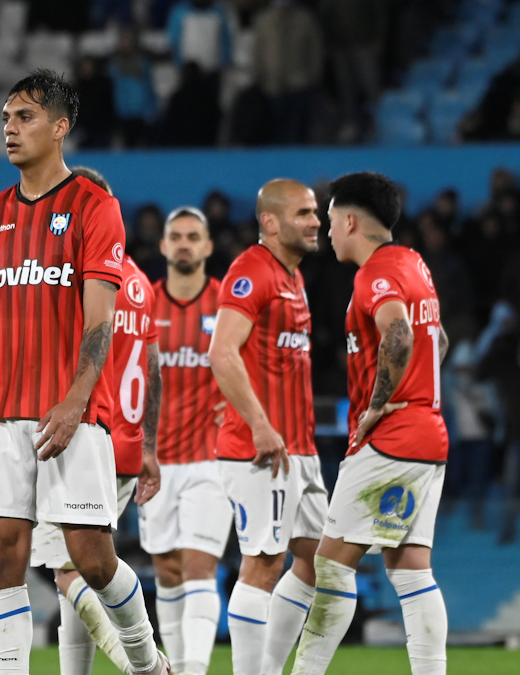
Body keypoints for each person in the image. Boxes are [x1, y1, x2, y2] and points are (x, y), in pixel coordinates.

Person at [0, 70, 168, 675]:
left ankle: (145, 662)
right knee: (3, 551)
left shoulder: (95, 207)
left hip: (69, 415)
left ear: (61, 127)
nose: (9, 128)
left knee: (90, 558)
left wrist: (74, 400)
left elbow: (101, 320)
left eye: (25, 117)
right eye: (7, 117)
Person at [291, 172, 450, 675]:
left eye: (332, 220)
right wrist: (418, 393)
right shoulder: (414, 264)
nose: (328, 231)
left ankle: (306, 671)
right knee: (409, 569)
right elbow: (438, 341)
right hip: (428, 435)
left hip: (392, 440)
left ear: (352, 219)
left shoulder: (376, 272)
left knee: (332, 562)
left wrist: (379, 404)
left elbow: (398, 336)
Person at [28, 166, 164, 675]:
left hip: (81, 436)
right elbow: (150, 367)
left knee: (71, 573)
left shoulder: (73, 279)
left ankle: (146, 666)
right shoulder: (139, 283)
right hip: (126, 445)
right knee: (74, 583)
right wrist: (149, 445)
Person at [208, 179, 326, 675]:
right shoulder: (252, 270)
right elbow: (221, 351)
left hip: (299, 449)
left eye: (316, 212)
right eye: (303, 213)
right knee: (262, 565)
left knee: (319, 561)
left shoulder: (291, 276)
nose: (316, 221)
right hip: (261, 448)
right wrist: (258, 423)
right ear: (271, 222)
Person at [142, 207, 231, 675]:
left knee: (199, 565)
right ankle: (175, 666)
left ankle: (194, 668)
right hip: (154, 462)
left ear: (208, 246)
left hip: (211, 460)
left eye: (193, 236)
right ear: (162, 246)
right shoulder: (144, 304)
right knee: (168, 572)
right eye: (175, 236)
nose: (183, 244)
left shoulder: (226, 304)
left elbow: (252, 368)